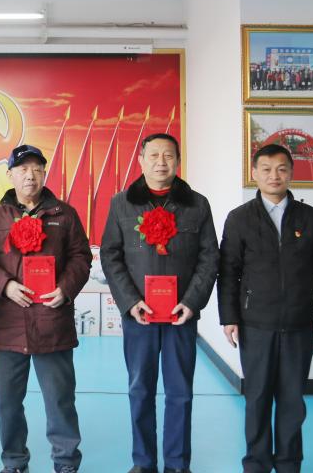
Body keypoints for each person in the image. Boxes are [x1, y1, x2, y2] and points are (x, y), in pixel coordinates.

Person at [100, 133, 219, 473]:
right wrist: (130, 301)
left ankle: (178, 464)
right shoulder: (122, 203)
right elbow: (110, 255)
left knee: (181, 392)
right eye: (153, 155)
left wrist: (192, 302)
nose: (161, 162)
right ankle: (143, 462)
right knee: (140, 390)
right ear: (141, 160)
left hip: (182, 316)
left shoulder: (197, 204)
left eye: (168, 155)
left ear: (178, 161)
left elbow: (210, 257)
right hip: (140, 317)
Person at [218, 144, 313, 473]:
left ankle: (288, 462)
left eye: (282, 169)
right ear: (254, 174)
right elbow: (228, 273)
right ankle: (256, 463)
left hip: (300, 323)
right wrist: (229, 317)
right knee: (257, 397)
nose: (274, 175)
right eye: (267, 169)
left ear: (291, 173)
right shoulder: (240, 218)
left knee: (292, 399)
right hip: (255, 323)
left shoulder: (310, 217)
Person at [0, 144, 92, 473]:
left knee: (60, 399)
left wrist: (65, 288)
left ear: (44, 173)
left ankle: (66, 462)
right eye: (22, 169)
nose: (30, 175)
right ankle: (14, 462)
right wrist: (5, 285)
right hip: (9, 324)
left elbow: (81, 257)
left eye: (37, 169)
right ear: (10, 174)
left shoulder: (64, 215)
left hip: (52, 321)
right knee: (9, 402)